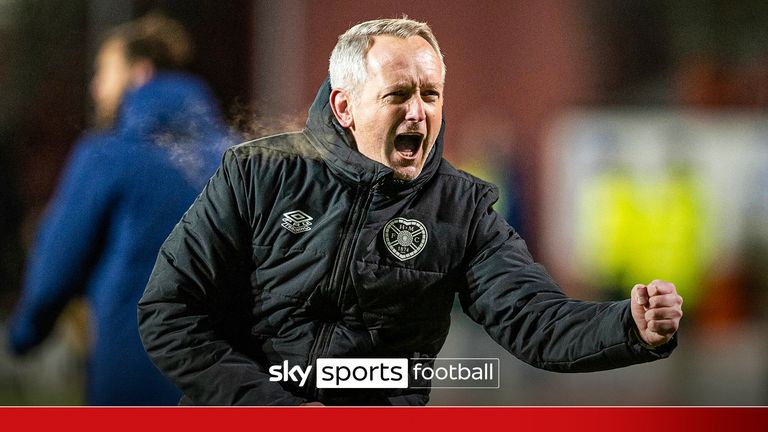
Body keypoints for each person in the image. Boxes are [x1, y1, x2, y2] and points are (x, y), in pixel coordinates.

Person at [138, 18, 683, 406]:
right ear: (344, 106)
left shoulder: (463, 209)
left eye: (431, 93)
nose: (420, 113)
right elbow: (169, 312)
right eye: (398, 94)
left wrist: (630, 326)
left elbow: (534, 320)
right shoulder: (256, 173)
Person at [6, 14, 233, 405]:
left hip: (132, 378)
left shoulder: (109, 156)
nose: (96, 87)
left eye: (104, 72)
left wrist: (25, 332)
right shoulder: (238, 154)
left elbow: (58, 260)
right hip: (227, 383)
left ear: (139, 73)